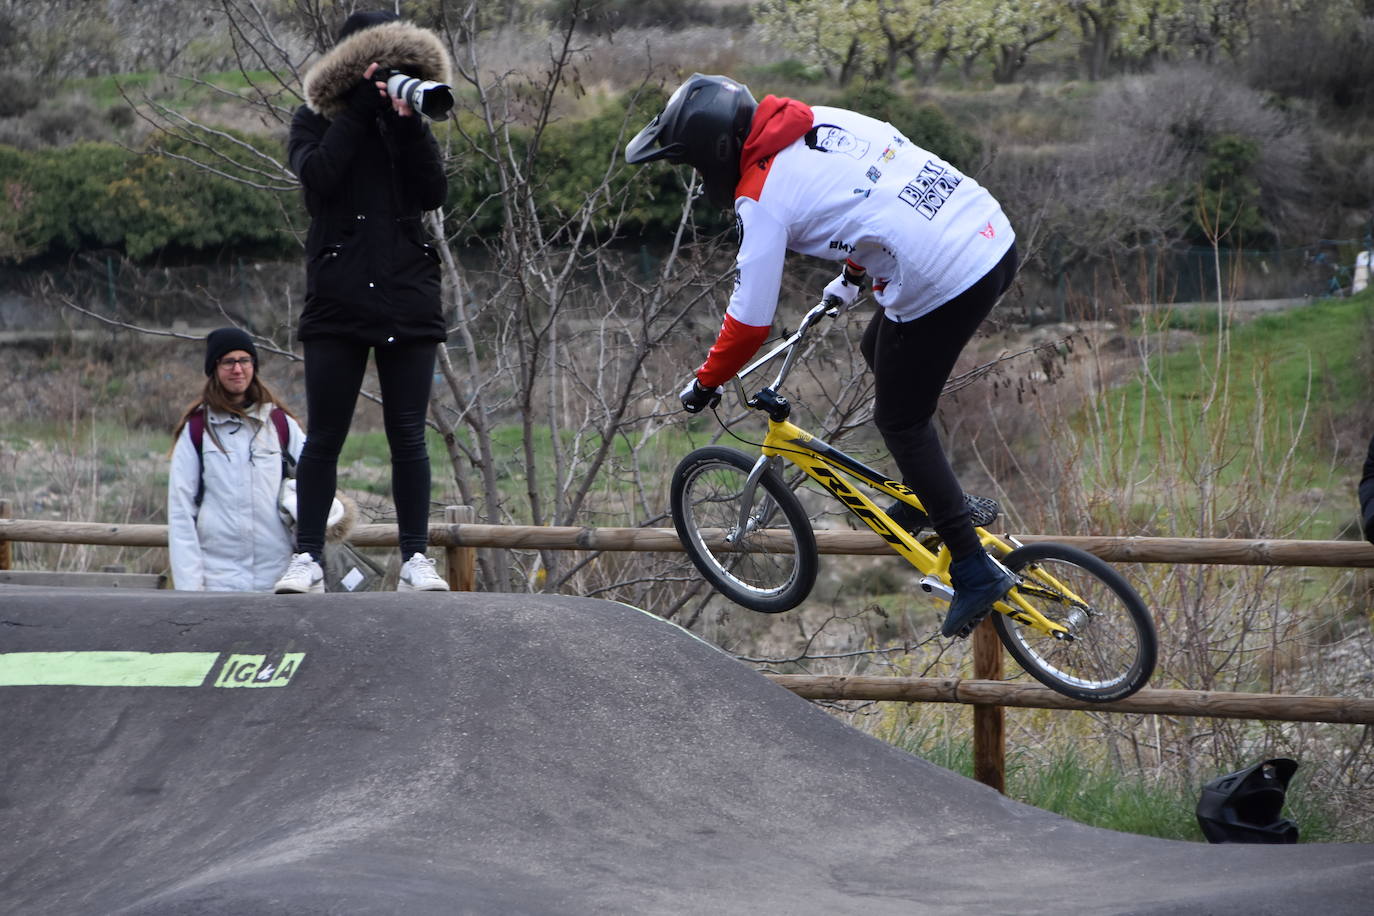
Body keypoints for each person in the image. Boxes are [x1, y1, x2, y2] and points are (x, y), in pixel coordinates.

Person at [626, 74, 1019, 638]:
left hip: (947, 274)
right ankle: (930, 498)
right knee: (875, 347)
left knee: (901, 421)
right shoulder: (823, 120)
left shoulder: (760, 196)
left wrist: (706, 382)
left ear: (716, 152)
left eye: (693, 166)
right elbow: (877, 198)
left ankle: (974, 568)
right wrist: (851, 280)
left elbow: (750, 319)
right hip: (989, 235)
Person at [276, 10, 452, 594]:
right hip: (339, 296)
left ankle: (416, 559)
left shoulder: (404, 120)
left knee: (409, 434)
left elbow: (432, 192)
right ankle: (306, 559)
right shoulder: (313, 119)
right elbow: (319, 179)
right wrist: (356, 110)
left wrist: (405, 125)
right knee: (325, 435)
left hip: (407, 292)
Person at [168, 328, 306, 591]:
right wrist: (189, 588)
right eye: (228, 361)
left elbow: (316, 485)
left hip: (279, 577)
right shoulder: (198, 430)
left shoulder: (280, 424)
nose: (237, 369)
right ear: (214, 368)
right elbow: (181, 511)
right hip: (218, 580)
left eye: (244, 360)